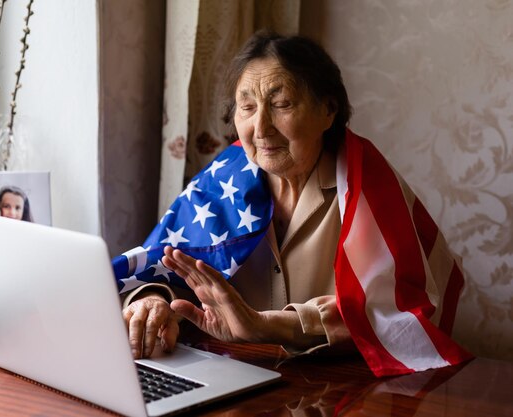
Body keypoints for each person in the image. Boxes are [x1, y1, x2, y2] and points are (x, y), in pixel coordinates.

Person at [119, 31, 471, 377]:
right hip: (233, 376)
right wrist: (152, 299)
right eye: (247, 107)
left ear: (328, 110)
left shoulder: (370, 188)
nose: (261, 128)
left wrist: (267, 325)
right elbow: (166, 265)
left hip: (341, 386)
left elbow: (395, 315)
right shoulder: (222, 181)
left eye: (281, 104)